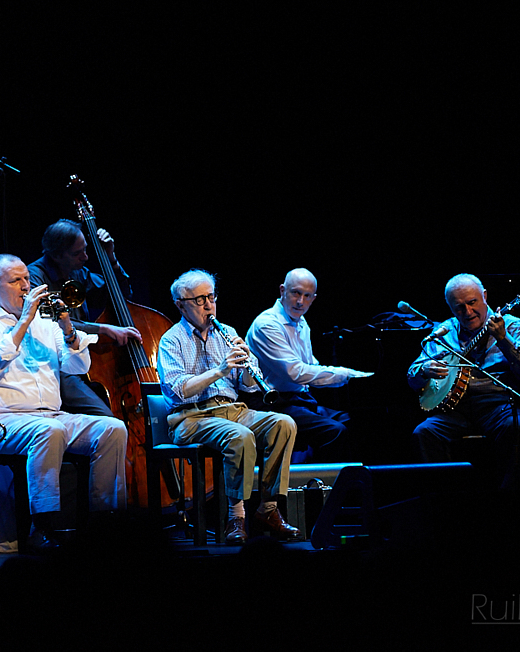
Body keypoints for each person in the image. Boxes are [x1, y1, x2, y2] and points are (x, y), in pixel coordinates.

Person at [0, 254, 127, 550]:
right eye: (16, 281)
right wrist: (24, 320)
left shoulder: (46, 322)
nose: (26, 286)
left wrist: (67, 329)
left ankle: (105, 522)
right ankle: (44, 526)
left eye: (27, 278)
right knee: (48, 432)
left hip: (51, 416)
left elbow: (76, 368)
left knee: (112, 429)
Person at [157, 269, 300, 545]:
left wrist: (246, 365)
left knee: (284, 424)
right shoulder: (171, 339)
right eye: (199, 300)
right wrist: (219, 371)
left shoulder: (228, 333)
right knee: (240, 436)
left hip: (233, 410)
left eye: (211, 296)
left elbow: (247, 387)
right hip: (191, 417)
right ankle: (236, 516)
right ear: (180, 304)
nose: (208, 304)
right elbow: (177, 391)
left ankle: (268, 509)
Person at [407, 273, 520, 489]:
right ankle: (446, 499)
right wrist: (423, 370)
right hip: (455, 410)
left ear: (485, 296)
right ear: (450, 307)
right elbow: (412, 377)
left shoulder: (513, 325)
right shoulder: (443, 332)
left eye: (472, 303)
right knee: (424, 432)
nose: (467, 312)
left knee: (517, 427)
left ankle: (508, 498)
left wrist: (504, 339)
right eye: (459, 307)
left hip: (499, 404)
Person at [245, 268, 372, 463]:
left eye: (307, 296)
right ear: (282, 291)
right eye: (295, 293)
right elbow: (295, 372)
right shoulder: (266, 324)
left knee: (354, 421)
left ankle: (351, 486)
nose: (300, 301)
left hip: (297, 400)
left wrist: (355, 378)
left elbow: (311, 365)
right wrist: (344, 374)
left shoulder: (302, 323)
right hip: (270, 404)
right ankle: (320, 488)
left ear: (314, 298)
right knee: (334, 431)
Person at [27, 219, 141, 417]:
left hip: (83, 357)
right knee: (106, 418)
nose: (86, 257)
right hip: (58, 365)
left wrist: (110, 258)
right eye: (77, 253)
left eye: (85, 249)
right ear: (56, 255)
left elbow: (120, 295)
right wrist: (104, 329)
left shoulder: (78, 271)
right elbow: (53, 322)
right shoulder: (35, 277)